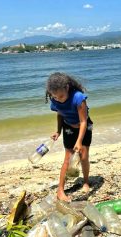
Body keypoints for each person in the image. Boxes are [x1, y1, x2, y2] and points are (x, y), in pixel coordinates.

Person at [45, 72, 93, 202]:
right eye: (55, 97)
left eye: (61, 96)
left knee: (83, 156)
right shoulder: (54, 99)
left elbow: (83, 121)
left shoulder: (78, 98)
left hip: (84, 127)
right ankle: (60, 190)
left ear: (67, 88)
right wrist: (58, 131)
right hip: (68, 127)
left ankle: (86, 182)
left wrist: (79, 141)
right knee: (67, 158)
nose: (58, 99)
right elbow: (60, 114)